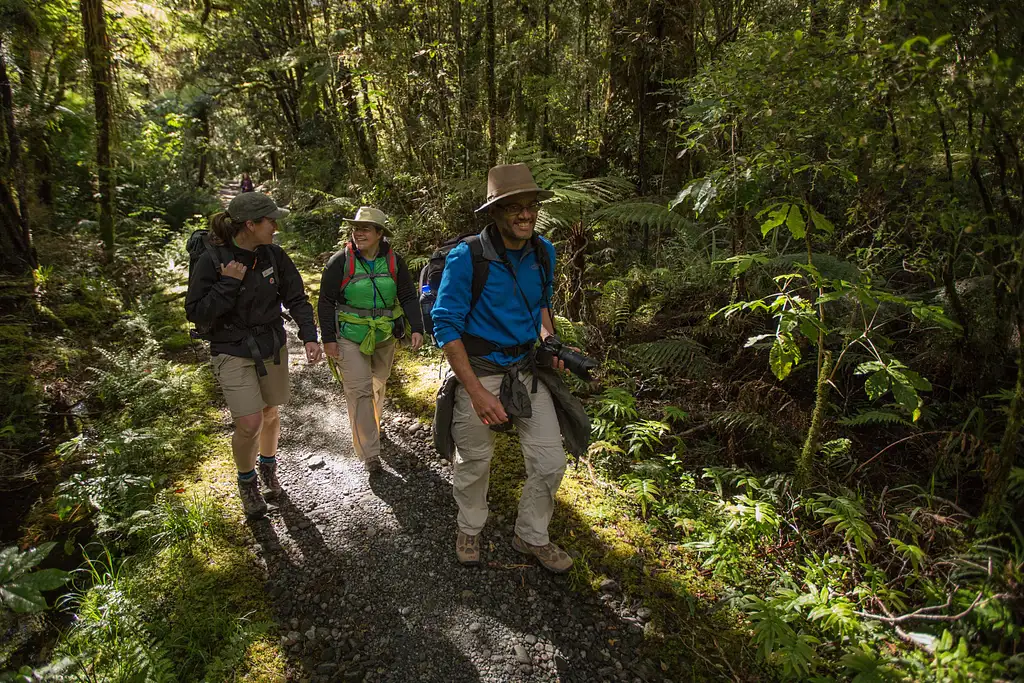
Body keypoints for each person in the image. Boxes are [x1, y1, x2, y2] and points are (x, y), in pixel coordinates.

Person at [431, 163, 589, 574]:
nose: (525, 215)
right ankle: (469, 527)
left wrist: (552, 343)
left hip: (525, 367)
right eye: (514, 207)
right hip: (478, 368)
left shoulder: (543, 251)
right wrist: (477, 392)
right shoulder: (468, 257)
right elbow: (446, 325)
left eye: (530, 206)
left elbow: (541, 306)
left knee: (551, 461)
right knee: (474, 459)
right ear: (495, 212)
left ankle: (531, 534)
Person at [186, 192, 322, 519]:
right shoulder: (213, 260)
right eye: (270, 221)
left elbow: (297, 298)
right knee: (250, 423)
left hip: (271, 345)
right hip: (231, 348)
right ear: (250, 224)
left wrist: (309, 336)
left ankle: (268, 467)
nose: (275, 226)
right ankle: (246, 483)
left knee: (271, 412)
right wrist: (227, 284)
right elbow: (196, 312)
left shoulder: (273, 255)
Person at [318, 207, 425, 472]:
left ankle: (372, 425)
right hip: (349, 335)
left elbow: (409, 296)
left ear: (379, 234)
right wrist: (328, 339)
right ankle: (370, 453)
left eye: (366, 228)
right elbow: (326, 301)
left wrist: (417, 328)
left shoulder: (394, 261)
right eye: (356, 228)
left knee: (378, 382)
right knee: (360, 390)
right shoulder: (339, 262)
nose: (359, 233)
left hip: (384, 334)